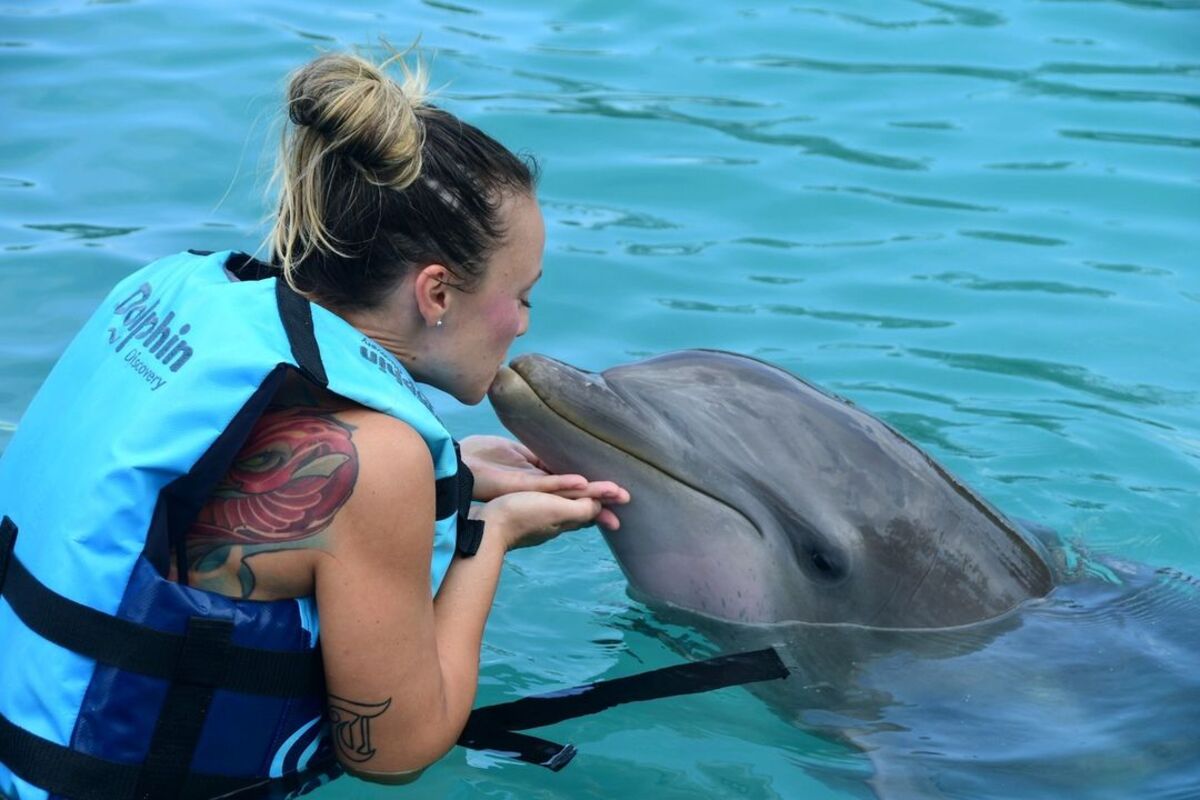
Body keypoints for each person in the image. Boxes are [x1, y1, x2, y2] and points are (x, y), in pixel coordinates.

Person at [0, 50, 629, 798]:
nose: (524, 324)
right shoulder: (378, 462)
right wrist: (488, 536)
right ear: (436, 291)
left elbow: (196, 485)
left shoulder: (167, 295)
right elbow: (392, 753)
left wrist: (449, 476)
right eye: (522, 294)